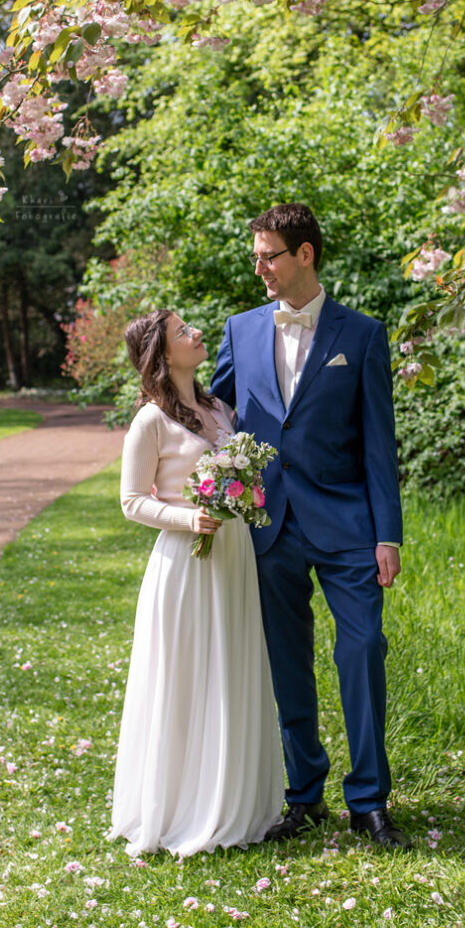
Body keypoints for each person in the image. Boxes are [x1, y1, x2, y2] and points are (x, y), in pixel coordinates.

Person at [210, 203, 409, 849]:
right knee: (285, 663)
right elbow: (214, 415)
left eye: (269, 255)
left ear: (305, 255)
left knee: (364, 649)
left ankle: (370, 799)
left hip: (350, 522)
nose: (259, 267)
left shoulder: (362, 335)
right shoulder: (239, 330)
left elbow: (380, 442)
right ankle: (304, 794)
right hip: (269, 526)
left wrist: (388, 533)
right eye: (256, 255)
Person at [108, 309, 283, 857]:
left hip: (233, 556)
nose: (197, 334)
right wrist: (189, 519)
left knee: (231, 669)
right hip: (185, 561)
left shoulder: (219, 408)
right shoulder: (150, 422)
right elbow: (131, 501)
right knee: (186, 678)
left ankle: (236, 802)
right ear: (162, 354)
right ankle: (181, 807)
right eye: (184, 332)